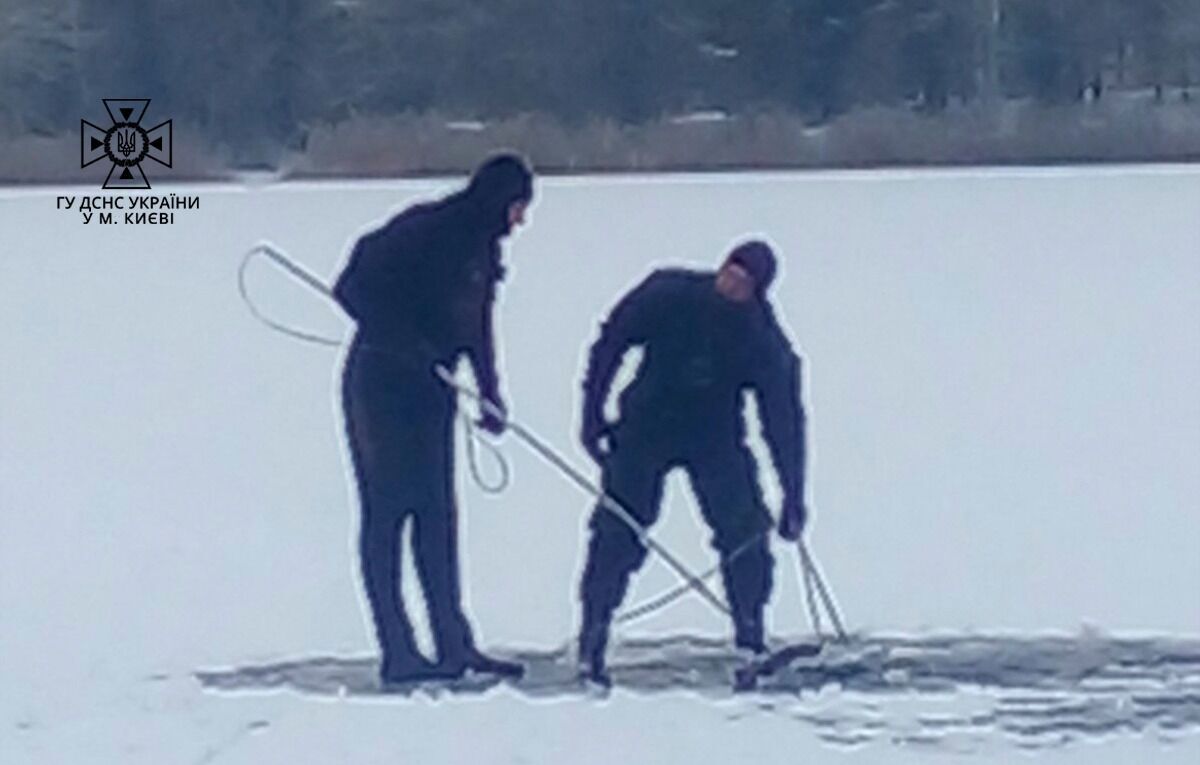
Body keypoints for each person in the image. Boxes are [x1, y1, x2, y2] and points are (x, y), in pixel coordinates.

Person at [333, 154, 533, 683]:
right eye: (518, 207)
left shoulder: (482, 250)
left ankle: (453, 644)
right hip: (379, 385)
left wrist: (490, 392)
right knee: (388, 513)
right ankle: (397, 651)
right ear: (498, 198)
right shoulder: (426, 229)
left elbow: (476, 327)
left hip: (432, 390)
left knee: (438, 517)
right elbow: (350, 287)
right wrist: (403, 342)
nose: (521, 221)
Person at [576, 240, 808, 685]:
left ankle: (750, 631)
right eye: (730, 271)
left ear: (756, 293)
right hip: (646, 425)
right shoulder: (669, 293)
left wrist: (793, 494)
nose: (732, 284)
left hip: (715, 436)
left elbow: (782, 418)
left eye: (744, 283)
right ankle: (593, 631)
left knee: (744, 529)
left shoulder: (760, 335)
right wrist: (591, 414)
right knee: (618, 528)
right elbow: (611, 341)